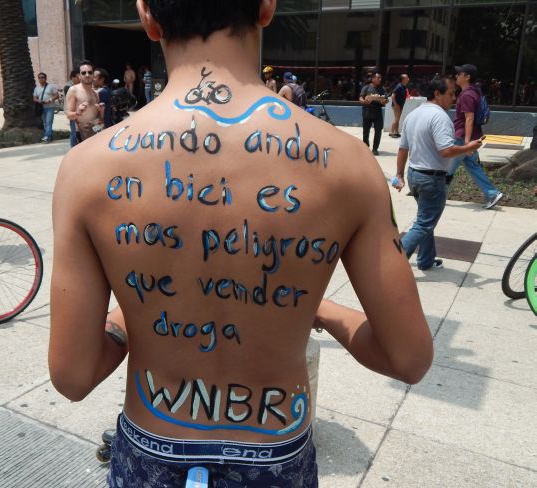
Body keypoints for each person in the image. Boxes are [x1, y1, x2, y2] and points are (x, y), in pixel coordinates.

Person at [49, 2, 433, 487]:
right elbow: (407, 358)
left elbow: (73, 376)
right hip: (276, 450)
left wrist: (129, 316)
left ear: (147, 15)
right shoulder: (349, 164)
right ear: (267, 6)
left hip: (154, 447)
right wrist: (325, 310)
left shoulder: (86, 168)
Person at [393, 77, 483, 270]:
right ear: (437, 94)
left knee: (425, 218)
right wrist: (468, 147)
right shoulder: (440, 117)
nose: (454, 98)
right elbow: (446, 150)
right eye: (450, 94)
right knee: (424, 223)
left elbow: (402, 148)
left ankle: (425, 260)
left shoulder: (413, 114)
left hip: (414, 175)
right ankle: (392, 263)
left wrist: (399, 174)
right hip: (431, 179)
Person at [448, 64, 503, 209]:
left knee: (448, 167)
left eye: (459, 74)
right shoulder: (474, 91)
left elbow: (469, 118)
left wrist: (467, 143)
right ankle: (492, 194)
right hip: (472, 136)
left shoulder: (467, 95)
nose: (456, 76)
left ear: (467, 77)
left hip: (462, 137)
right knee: (472, 166)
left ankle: (437, 196)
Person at [65, 60, 104, 142]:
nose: (87, 75)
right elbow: (68, 115)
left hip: (96, 131)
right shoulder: (73, 90)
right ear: (79, 76)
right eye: (83, 73)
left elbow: (100, 118)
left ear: (93, 74)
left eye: (90, 72)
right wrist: (78, 112)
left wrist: (101, 111)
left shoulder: (95, 93)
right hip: (82, 133)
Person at [359, 72, 388, 155]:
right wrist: (363, 101)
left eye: (380, 78)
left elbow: (386, 99)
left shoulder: (382, 89)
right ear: (373, 79)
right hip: (367, 112)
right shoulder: (366, 88)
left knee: (378, 131)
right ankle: (365, 146)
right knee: (366, 131)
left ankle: (375, 148)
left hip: (377, 113)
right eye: (378, 78)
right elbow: (361, 97)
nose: (380, 79)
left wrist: (384, 101)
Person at [33, 72, 59, 143]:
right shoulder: (37, 88)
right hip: (41, 108)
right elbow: (34, 98)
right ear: (38, 79)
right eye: (39, 77)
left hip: (50, 107)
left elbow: (57, 95)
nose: (41, 79)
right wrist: (39, 101)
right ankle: (49, 136)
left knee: (49, 122)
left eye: (43, 77)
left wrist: (50, 100)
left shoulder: (51, 86)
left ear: (45, 78)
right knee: (45, 123)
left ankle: (46, 136)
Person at [63, 70, 80, 147]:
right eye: (78, 77)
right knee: (74, 131)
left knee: (77, 130)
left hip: (77, 111)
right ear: (72, 77)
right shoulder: (68, 87)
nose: (79, 79)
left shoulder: (76, 85)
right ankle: (73, 147)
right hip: (72, 112)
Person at [389, 74, 409, 138]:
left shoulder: (404, 86)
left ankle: (396, 132)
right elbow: (393, 96)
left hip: (400, 105)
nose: (408, 79)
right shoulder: (399, 86)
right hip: (397, 105)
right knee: (396, 119)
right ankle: (391, 132)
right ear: (403, 79)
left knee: (398, 119)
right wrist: (395, 104)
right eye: (407, 78)